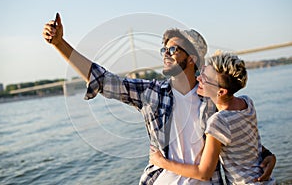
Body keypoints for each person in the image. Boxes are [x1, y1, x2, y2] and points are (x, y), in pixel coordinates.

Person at [42, 13, 276, 184]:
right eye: (164, 49)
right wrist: (60, 43)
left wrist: (267, 156)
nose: (165, 53)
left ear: (192, 58)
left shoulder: (212, 97)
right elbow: (103, 80)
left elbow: (237, 133)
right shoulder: (151, 93)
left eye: (173, 49)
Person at [149, 52, 276, 184]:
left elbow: (204, 173)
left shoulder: (218, 122)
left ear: (221, 92)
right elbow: (247, 140)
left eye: (205, 78)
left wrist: (162, 162)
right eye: (202, 72)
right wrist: (269, 155)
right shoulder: (247, 103)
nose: (199, 79)